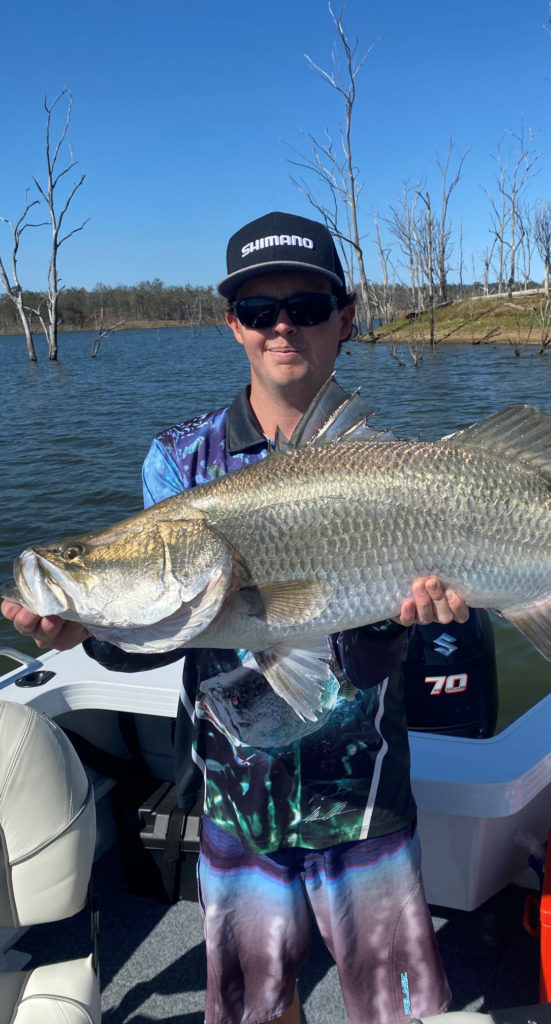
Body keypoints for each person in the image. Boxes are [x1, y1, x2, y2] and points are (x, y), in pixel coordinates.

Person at [2, 210, 468, 1024]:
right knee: (255, 1007)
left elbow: (382, 652)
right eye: (259, 310)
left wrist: (411, 623)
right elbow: (164, 628)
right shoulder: (178, 464)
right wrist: (92, 628)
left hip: (364, 797)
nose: (282, 325)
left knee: (396, 1011)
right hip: (230, 799)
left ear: (346, 318)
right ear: (233, 325)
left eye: (308, 306)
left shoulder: (395, 470)